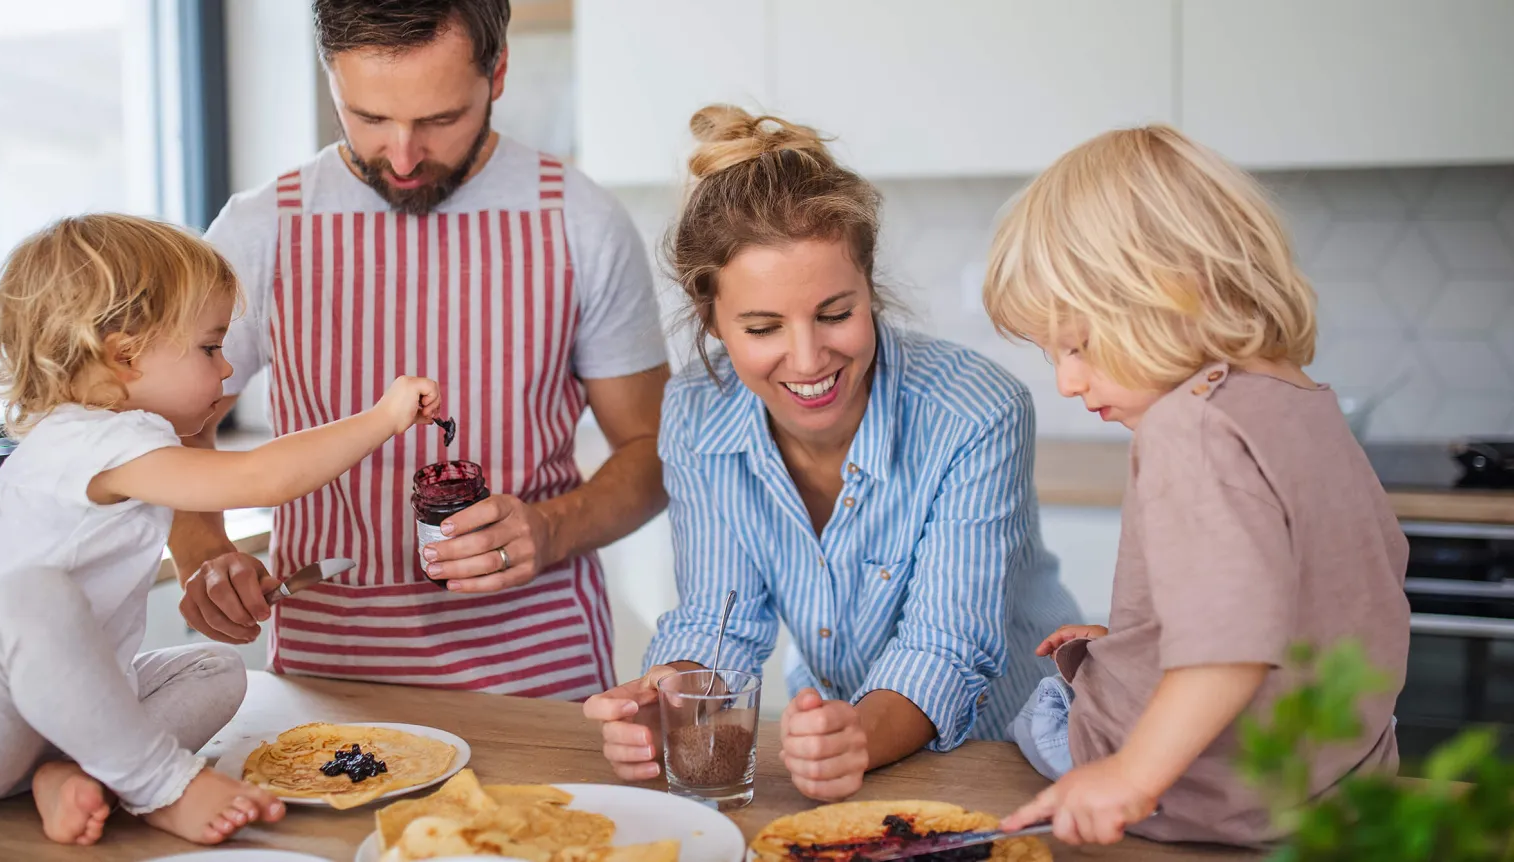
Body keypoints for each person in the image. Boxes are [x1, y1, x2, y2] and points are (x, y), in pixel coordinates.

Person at [0, 214, 443, 846]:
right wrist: (382, 417)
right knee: (30, 598)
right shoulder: (87, 440)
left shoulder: (120, 444)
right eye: (210, 348)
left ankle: (78, 775)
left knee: (215, 669)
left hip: (34, 730)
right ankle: (159, 784)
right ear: (125, 356)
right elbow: (260, 477)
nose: (226, 368)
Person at [169, 0, 670, 700]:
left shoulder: (581, 222)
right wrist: (204, 554)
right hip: (328, 675)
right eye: (369, 117)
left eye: (440, 119)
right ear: (331, 76)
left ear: (497, 73)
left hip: (541, 675)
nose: (402, 157)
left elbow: (653, 452)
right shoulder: (261, 229)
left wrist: (551, 529)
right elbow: (175, 427)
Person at [583, 106, 1081, 802]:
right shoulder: (697, 410)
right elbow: (718, 618)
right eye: (763, 327)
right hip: (843, 756)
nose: (809, 358)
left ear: (868, 286)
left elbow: (946, 646)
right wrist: (666, 700)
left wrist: (856, 738)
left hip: (1015, 754)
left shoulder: (976, 412)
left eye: (835, 314)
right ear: (711, 318)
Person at [984, 126, 1411, 847]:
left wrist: (1129, 777)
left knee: (1042, 708)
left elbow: (1229, 645)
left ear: (1177, 290)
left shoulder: (1189, 425)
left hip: (1204, 798)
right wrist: (1142, 639)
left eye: (1078, 345)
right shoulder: (1308, 405)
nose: (1067, 381)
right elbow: (1310, 602)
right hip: (1336, 788)